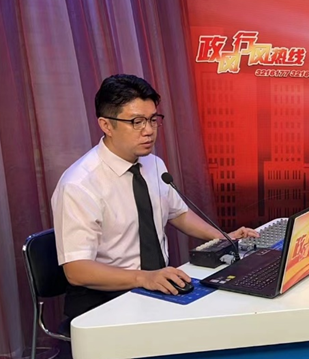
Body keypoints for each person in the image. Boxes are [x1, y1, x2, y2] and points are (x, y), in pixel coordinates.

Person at [52, 74, 258, 320]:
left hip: (155, 284)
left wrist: (223, 238)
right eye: (136, 122)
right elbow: (77, 271)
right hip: (104, 298)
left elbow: (179, 214)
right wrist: (145, 278)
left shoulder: (153, 164)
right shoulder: (79, 184)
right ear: (106, 125)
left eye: (152, 120)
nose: (148, 131)